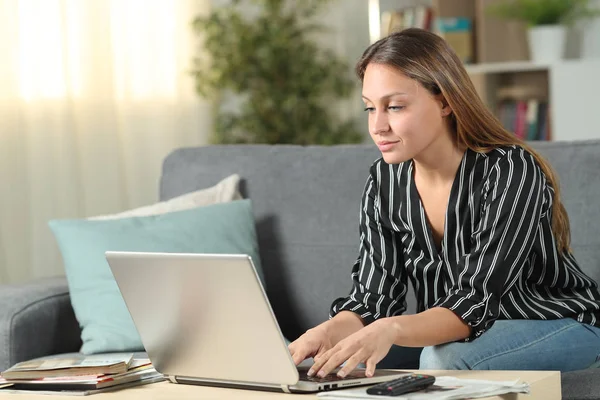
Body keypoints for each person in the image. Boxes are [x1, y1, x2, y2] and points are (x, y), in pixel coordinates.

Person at [288, 28, 600, 379]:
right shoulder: (385, 180)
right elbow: (372, 300)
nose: (377, 126)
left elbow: (474, 300)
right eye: (369, 108)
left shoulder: (510, 171)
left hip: (557, 323)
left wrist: (391, 329)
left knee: (442, 361)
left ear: (445, 101)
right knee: (340, 357)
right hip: (457, 331)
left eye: (394, 106)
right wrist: (325, 334)